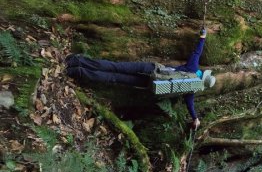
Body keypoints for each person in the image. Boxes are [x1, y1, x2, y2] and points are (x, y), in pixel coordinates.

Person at [66, 29, 215, 130]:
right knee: (113, 78)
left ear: (204, 74)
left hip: (151, 70)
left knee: (115, 66)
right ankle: (77, 72)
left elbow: (197, 52)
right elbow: (190, 105)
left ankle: (76, 62)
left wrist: (202, 37)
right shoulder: (191, 89)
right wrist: (195, 118)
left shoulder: (193, 68)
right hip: (149, 85)